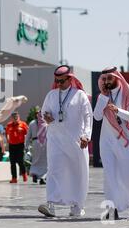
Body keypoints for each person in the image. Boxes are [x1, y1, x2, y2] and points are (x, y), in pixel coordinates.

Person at [38, 65, 93, 217]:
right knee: (54, 169)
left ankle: (77, 205)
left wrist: (86, 135)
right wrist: (46, 116)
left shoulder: (80, 95)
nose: (59, 84)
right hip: (55, 139)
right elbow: (44, 111)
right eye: (57, 81)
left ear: (70, 79)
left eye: (62, 81)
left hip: (76, 141)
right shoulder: (51, 95)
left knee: (77, 173)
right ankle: (51, 204)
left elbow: (88, 116)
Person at [94, 66, 129, 220]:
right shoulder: (103, 96)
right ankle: (111, 208)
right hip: (107, 141)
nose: (106, 81)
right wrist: (103, 97)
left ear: (117, 77)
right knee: (109, 175)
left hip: (126, 141)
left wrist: (118, 111)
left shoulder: (128, 94)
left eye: (109, 78)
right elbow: (97, 116)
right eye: (104, 79)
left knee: (128, 175)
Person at [25, 106, 48, 185]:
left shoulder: (32, 123)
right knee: (45, 161)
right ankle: (43, 177)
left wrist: (26, 146)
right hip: (45, 143)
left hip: (35, 143)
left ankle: (35, 174)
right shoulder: (46, 123)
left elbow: (28, 136)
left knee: (35, 160)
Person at [5, 111, 29, 183]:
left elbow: (28, 134)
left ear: (19, 117)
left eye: (17, 117)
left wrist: (27, 143)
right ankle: (14, 178)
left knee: (20, 161)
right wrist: (7, 141)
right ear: (11, 118)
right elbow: (6, 134)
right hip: (12, 145)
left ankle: (24, 174)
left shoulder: (23, 124)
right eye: (14, 117)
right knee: (12, 162)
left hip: (20, 145)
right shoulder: (9, 125)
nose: (15, 119)